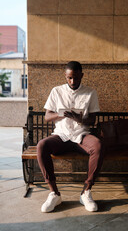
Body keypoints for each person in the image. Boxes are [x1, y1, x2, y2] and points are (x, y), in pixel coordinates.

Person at [37, 61, 104, 213]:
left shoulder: (90, 92)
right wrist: (60, 114)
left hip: (81, 135)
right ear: (65, 76)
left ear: (82, 75)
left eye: (76, 78)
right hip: (61, 135)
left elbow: (93, 119)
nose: (73, 82)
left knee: (98, 146)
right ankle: (54, 193)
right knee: (42, 145)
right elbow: (47, 116)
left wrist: (79, 119)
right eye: (69, 78)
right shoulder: (56, 91)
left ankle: (86, 192)